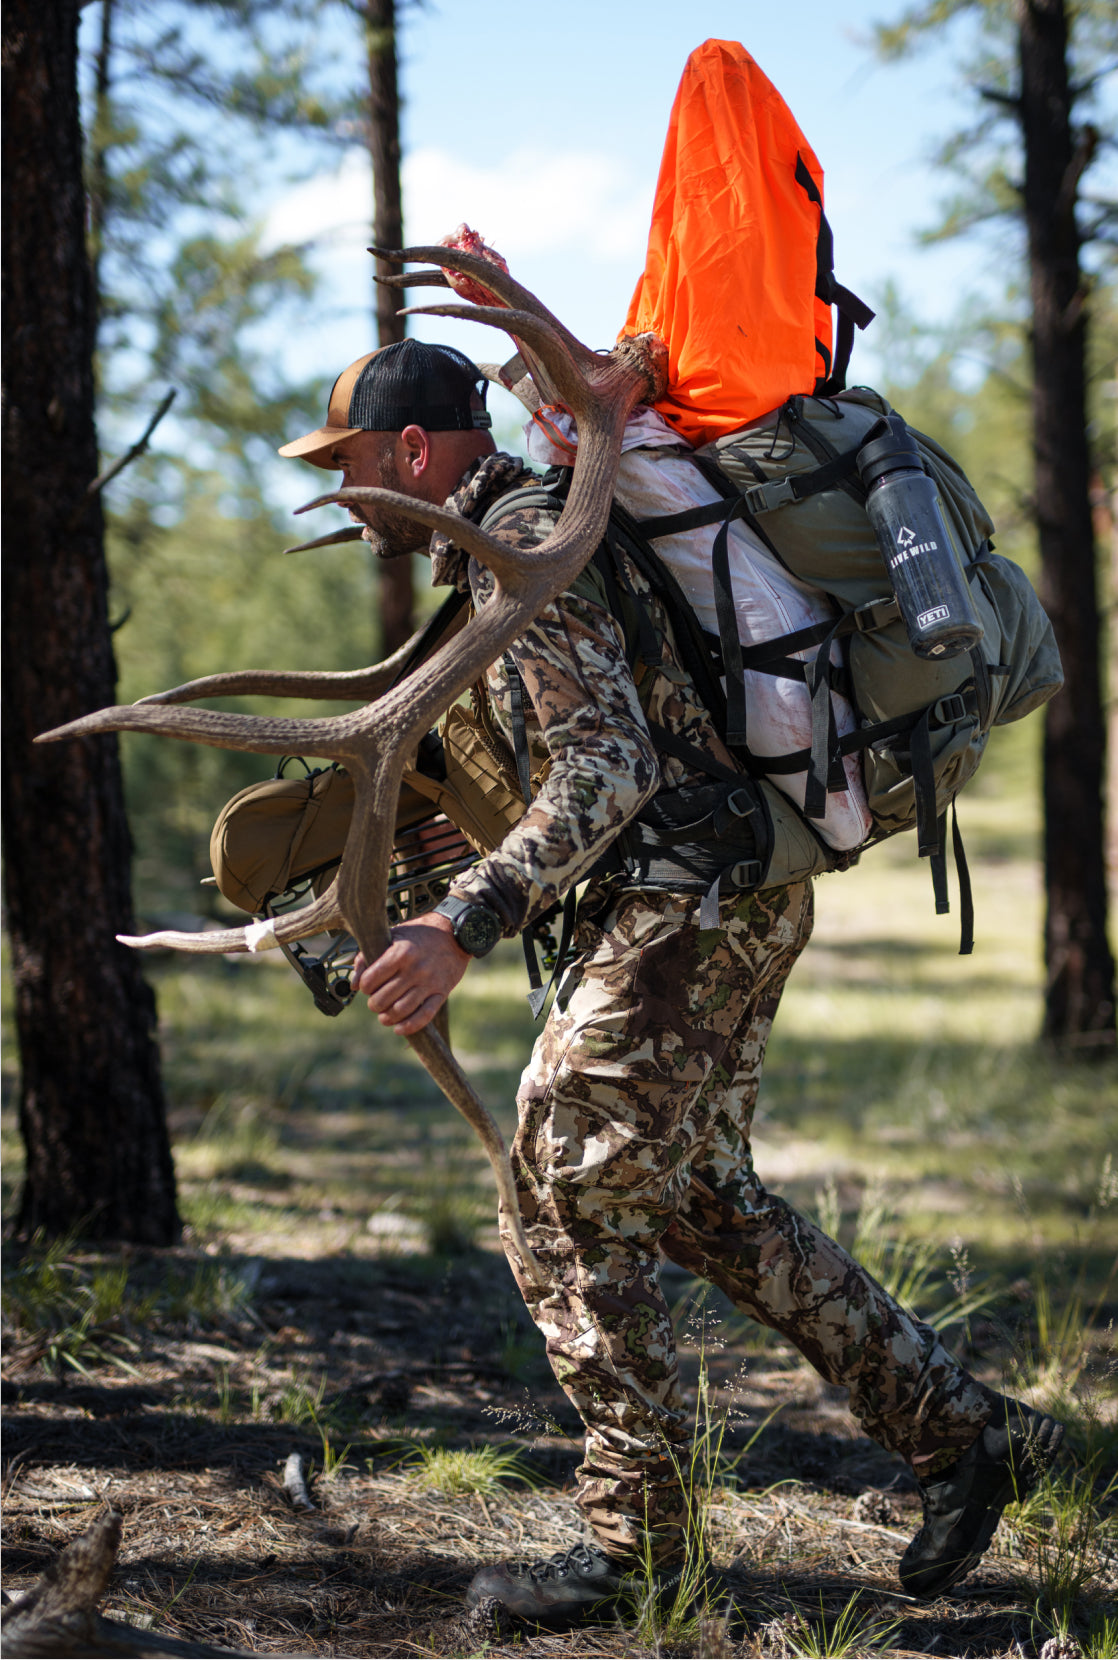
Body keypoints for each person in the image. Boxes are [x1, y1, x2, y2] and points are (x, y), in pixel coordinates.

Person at [279, 337, 1064, 1623]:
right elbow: (607, 743)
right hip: (724, 891)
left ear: (412, 452)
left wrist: (462, 925)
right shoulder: (529, 535)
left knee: (559, 1180)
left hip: (685, 904)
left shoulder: (520, 541)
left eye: (354, 465)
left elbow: (609, 769)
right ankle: (967, 1434)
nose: (352, 492)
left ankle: (634, 1543)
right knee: (698, 1199)